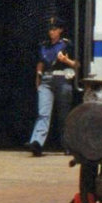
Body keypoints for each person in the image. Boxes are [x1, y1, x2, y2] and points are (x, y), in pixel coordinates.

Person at [28, 16, 78, 156]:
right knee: (43, 113)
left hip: (62, 77)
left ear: (60, 30)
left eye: (54, 29)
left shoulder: (67, 44)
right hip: (47, 79)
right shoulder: (44, 45)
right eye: (50, 29)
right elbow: (41, 62)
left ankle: (67, 144)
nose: (52, 32)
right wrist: (38, 76)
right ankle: (37, 142)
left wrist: (66, 60)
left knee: (64, 114)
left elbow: (77, 64)